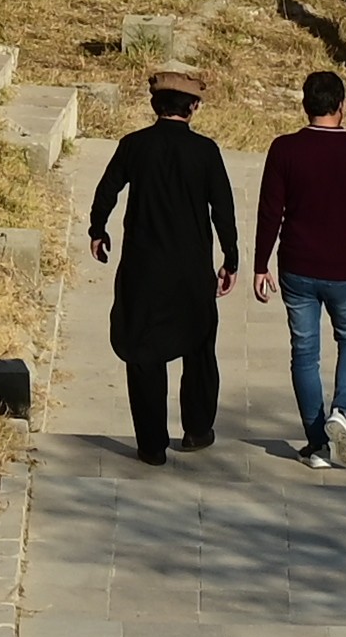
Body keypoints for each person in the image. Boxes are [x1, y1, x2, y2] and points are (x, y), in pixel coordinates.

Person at [83, 63, 243, 462]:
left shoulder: (134, 145)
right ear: (191, 107)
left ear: (155, 104)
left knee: (143, 351)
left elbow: (108, 189)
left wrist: (97, 229)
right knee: (200, 346)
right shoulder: (205, 152)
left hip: (143, 268)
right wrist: (231, 258)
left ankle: (152, 445)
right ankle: (197, 429)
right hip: (191, 270)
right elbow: (223, 209)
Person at [252, 68, 346, 469]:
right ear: (343, 106)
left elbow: (269, 213)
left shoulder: (284, 149)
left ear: (305, 106)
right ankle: (342, 413)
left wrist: (261, 265)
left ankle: (317, 445)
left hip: (296, 267)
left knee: (305, 353)